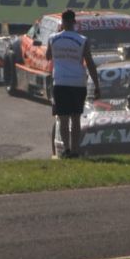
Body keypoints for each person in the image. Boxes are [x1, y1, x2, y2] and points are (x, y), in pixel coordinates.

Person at [46, 9, 100, 159]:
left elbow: (48, 56)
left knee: (63, 118)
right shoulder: (82, 40)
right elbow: (89, 63)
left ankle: (66, 149)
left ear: (62, 23)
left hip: (60, 81)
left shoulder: (53, 38)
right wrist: (96, 84)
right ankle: (75, 150)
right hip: (78, 82)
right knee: (76, 118)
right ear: (74, 22)